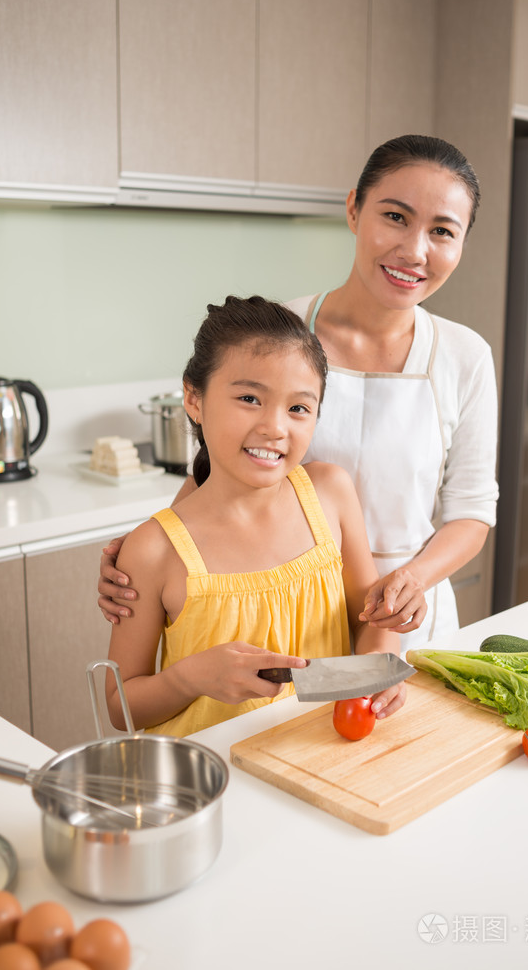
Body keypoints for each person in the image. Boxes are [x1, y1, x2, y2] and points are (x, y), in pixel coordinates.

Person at [99, 134, 498, 647]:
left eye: (443, 231)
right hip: (287, 610)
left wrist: (413, 580)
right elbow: (215, 467)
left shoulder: (465, 356)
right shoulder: (284, 333)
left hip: (407, 619)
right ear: (354, 209)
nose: (415, 250)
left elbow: (471, 512)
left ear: (462, 244)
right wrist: (144, 556)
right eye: (395, 217)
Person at [103, 295, 406, 737]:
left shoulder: (331, 494)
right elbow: (120, 708)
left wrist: (380, 674)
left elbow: (373, 622)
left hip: (325, 759)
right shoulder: (152, 550)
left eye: (298, 408)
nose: (276, 427)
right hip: (212, 782)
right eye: (249, 397)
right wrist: (188, 678)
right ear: (193, 397)